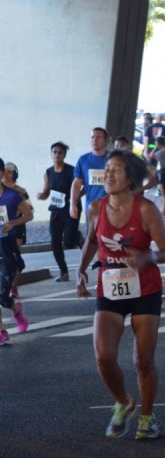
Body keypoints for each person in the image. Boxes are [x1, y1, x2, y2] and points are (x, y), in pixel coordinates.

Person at [76, 150, 165, 438]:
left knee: (143, 361)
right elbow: (92, 241)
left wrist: (148, 258)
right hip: (109, 285)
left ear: (130, 178)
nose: (107, 174)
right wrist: (82, 270)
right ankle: (123, 402)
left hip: (145, 288)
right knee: (103, 357)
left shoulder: (145, 209)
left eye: (115, 170)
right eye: (106, 169)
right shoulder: (95, 207)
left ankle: (147, 417)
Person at [0, 157, 33, 345]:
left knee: (3, 296)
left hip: (7, 247)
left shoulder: (12, 197)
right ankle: (1, 331)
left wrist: (12, 223)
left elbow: (29, 214)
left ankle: (16, 311)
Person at [39, 141, 75, 281]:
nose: (57, 155)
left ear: (64, 155)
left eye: (60, 152)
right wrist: (42, 195)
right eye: (55, 152)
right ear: (51, 154)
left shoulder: (71, 171)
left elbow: (80, 188)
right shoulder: (48, 172)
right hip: (55, 211)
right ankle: (63, 272)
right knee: (55, 241)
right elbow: (46, 191)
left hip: (70, 209)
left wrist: (74, 199)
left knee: (69, 242)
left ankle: (76, 237)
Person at [71, 127, 111, 235]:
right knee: (92, 239)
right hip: (91, 207)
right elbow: (77, 183)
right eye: (92, 137)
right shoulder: (83, 160)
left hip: (111, 208)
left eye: (98, 137)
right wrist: (73, 204)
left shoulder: (112, 159)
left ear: (105, 140)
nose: (94, 140)